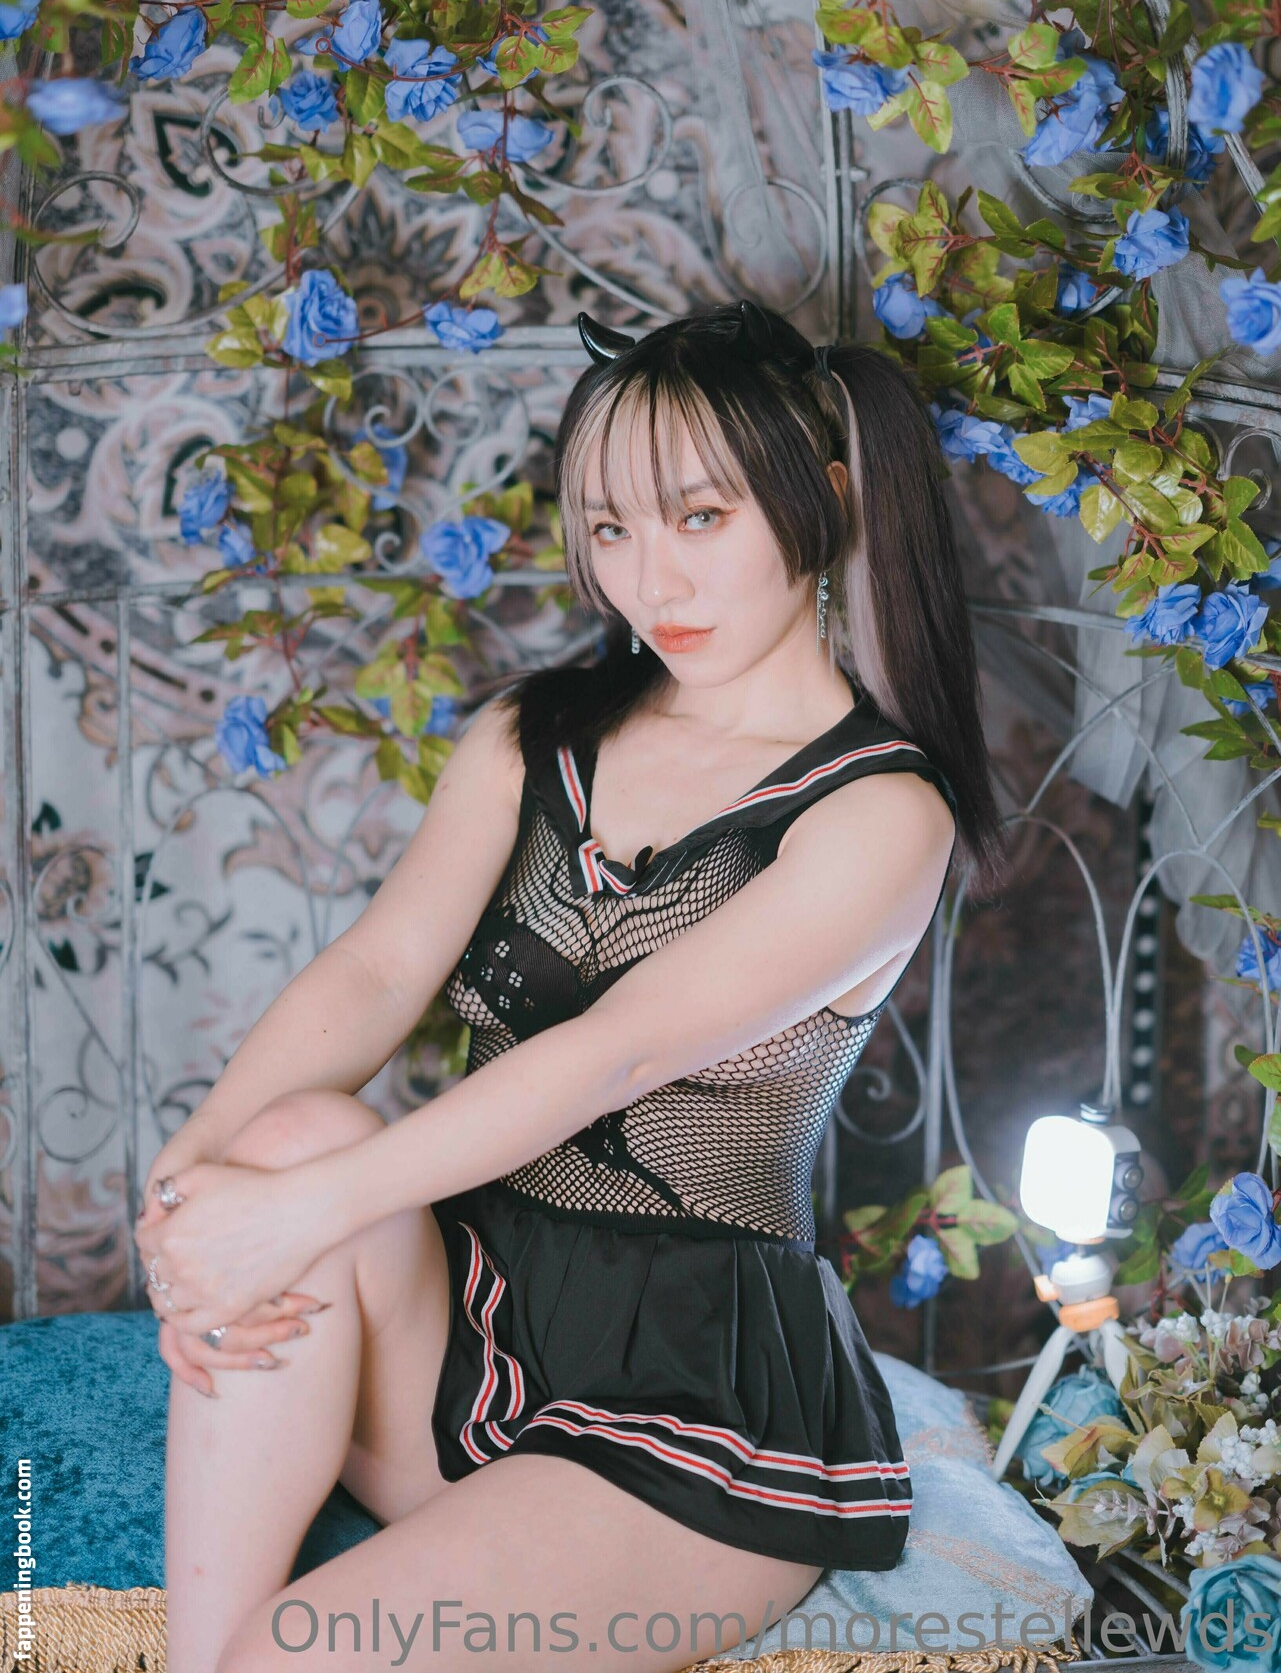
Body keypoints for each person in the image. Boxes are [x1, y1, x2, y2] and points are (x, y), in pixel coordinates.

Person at [135, 299, 1007, 1673]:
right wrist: (191, 1187)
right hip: (471, 1328)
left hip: (695, 1402)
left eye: (700, 518)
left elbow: (616, 1052)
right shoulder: (530, 736)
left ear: (827, 500)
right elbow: (377, 966)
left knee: (295, 1655)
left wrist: (292, 1217)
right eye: (610, 528)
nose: (650, 579)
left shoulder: (879, 814)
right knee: (290, 1132)